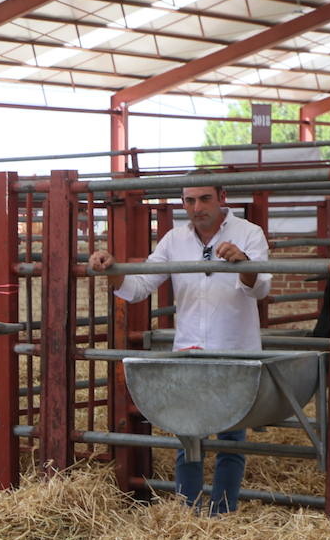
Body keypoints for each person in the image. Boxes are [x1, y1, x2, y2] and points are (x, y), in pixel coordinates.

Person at [87, 185, 271, 514]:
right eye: (190, 200)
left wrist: (243, 264)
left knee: (231, 440)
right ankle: (187, 514)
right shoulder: (174, 239)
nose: (197, 206)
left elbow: (261, 289)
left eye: (204, 199)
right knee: (187, 437)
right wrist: (113, 270)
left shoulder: (249, 233)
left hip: (233, 352)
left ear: (221, 198)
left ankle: (223, 513)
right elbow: (140, 286)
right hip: (188, 351)